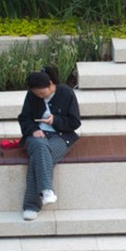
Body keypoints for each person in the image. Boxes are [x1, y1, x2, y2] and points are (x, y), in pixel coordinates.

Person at [17, 65, 79, 222]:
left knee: (39, 157)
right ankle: (46, 191)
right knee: (40, 146)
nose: (40, 97)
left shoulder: (66, 93)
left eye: (42, 93)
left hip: (61, 135)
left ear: (51, 84)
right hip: (36, 135)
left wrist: (55, 121)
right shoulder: (32, 96)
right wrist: (32, 130)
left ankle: (31, 206)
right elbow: (24, 118)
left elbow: (75, 122)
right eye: (37, 94)